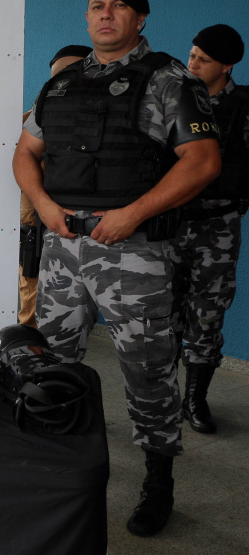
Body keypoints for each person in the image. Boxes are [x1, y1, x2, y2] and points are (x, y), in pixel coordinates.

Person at [12, 0, 221, 538]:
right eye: (97, 5)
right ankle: (54, 466)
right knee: (51, 362)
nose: (106, 14)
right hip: (62, 251)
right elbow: (24, 153)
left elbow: (203, 161)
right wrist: (45, 205)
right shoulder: (61, 84)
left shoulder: (169, 79)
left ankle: (158, 478)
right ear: (87, 16)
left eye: (120, 5)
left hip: (134, 255)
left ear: (141, 17)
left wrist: (132, 215)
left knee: (147, 370)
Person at [172, 24, 249, 435]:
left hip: (218, 225)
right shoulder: (173, 98)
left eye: (203, 58)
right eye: (192, 54)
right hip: (168, 224)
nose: (192, 63)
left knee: (208, 314)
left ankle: (194, 399)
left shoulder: (243, 105)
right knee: (163, 313)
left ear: (227, 65)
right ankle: (163, 396)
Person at [19, 45, 92, 327]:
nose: (63, 82)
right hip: (38, 222)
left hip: (92, 222)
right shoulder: (32, 118)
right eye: (57, 76)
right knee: (33, 285)